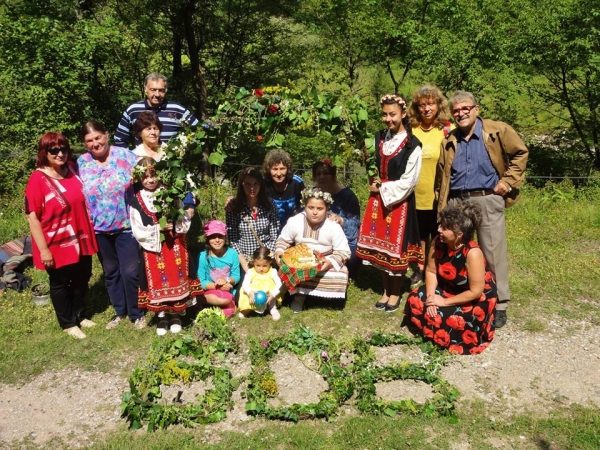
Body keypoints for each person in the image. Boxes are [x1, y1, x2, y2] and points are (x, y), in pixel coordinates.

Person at [435, 91, 529, 328]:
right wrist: (443, 204)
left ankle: (499, 304)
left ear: (476, 109)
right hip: (457, 201)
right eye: (456, 110)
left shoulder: (496, 131)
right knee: (457, 250)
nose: (461, 113)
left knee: (492, 252)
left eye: (466, 108)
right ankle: (463, 294)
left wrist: (507, 182)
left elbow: (521, 153)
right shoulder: (449, 139)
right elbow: (442, 176)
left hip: (487, 198)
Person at [24, 133, 98, 339]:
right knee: (61, 283)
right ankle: (68, 323)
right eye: (54, 150)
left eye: (63, 149)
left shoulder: (73, 169)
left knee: (82, 277)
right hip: (56, 241)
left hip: (81, 235)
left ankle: (80, 314)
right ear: (44, 153)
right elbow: (33, 218)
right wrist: (43, 249)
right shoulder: (37, 179)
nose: (60, 154)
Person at [356, 94, 424, 313]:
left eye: (392, 114)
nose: (388, 119)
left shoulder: (412, 144)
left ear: (403, 114)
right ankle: (386, 289)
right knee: (379, 249)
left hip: (398, 203)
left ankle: (395, 293)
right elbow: (371, 167)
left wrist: (382, 188)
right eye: (385, 115)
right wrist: (372, 180)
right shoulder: (377, 139)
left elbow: (409, 182)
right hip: (377, 203)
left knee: (396, 250)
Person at [78, 121, 146, 330]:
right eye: (89, 140)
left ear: (106, 135)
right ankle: (119, 312)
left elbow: (148, 173)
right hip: (98, 229)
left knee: (130, 271)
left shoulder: (125, 156)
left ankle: (136, 313)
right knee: (111, 272)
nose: (95, 143)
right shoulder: (82, 162)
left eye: (98, 137)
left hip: (126, 225)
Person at [405, 202, 498, 354]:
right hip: (449, 288)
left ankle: (440, 336)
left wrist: (443, 302)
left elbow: (475, 292)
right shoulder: (438, 242)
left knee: (448, 317)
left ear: (459, 234)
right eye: (440, 225)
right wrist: (431, 298)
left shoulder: (473, 253)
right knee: (415, 298)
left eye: (444, 228)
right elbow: (431, 271)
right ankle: (433, 331)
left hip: (473, 297)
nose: (438, 230)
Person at [128, 158, 202, 335]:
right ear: (139, 178)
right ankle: (162, 316)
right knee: (159, 281)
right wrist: (156, 228)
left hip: (174, 244)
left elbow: (184, 216)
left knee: (176, 277)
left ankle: (176, 315)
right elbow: (137, 228)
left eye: (153, 175)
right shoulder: (136, 201)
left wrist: (175, 225)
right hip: (153, 249)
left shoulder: (171, 193)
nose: (150, 180)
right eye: (145, 177)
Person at [275, 187, 351, 313]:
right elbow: (283, 240)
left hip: (323, 261)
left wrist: (330, 262)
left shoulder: (333, 226)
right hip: (299, 259)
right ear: (304, 206)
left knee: (341, 273)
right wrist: (279, 251)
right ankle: (298, 296)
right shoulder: (295, 221)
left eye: (320, 209)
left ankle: (321, 297)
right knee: (288, 267)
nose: (315, 212)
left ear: (327, 209)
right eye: (311, 208)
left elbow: (343, 251)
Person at [408, 85, 453, 288]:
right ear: (416, 108)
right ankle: (420, 269)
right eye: (422, 105)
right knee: (419, 238)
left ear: (439, 105)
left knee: (438, 236)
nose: (427, 109)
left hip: (438, 195)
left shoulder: (447, 130)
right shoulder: (410, 129)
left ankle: (436, 272)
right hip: (414, 194)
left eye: (431, 104)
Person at [131, 111, 196, 211]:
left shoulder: (171, 152)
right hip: (144, 207)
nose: (153, 132)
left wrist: (190, 205)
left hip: (173, 206)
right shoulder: (134, 156)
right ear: (140, 133)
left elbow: (184, 179)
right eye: (148, 129)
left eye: (155, 128)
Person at [114, 73, 199, 148]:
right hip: (142, 163)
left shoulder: (177, 109)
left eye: (161, 90)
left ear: (166, 90)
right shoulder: (133, 110)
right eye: (153, 90)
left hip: (170, 164)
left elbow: (199, 130)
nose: (157, 94)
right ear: (145, 89)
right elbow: (119, 139)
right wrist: (128, 160)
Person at [311, 159, 361, 280]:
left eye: (326, 173)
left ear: (333, 175)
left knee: (353, 259)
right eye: (318, 174)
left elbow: (355, 224)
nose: (322, 177)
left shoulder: (347, 195)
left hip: (345, 239)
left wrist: (341, 220)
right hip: (320, 238)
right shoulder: (313, 193)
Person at [226, 167, 280, 272]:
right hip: (245, 260)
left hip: (267, 260)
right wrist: (245, 265)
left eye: (255, 184)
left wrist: (265, 257)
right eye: (248, 184)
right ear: (242, 185)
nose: (252, 188)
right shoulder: (234, 208)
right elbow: (233, 240)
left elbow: (275, 234)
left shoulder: (269, 204)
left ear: (260, 185)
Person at [198, 220, 240, 318]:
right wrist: (216, 286)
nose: (217, 240)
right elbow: (201, 281)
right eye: (213, 237)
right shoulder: (203, 256)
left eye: (220, 236)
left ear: (225, 237)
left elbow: (236, 276)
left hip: (227, 289)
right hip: (211, 289)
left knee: (228, 311)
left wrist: (227, 280)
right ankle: (211, 303)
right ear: (207, 238)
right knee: (220, 300)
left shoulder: (232, 253)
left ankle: (221, 306)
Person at [263, 149, 305, 229]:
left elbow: (306, 205)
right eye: (275, 169)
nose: (278, 174)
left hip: (293, 228)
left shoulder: (296, 183)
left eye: (282, 169)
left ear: (288, 169)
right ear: (268, 170)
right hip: (269, 229)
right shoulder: (263, 183)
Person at [237, 247, 282, 321]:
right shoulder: (250, 272)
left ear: (270, 263)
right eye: (258, 265)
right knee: (244, 291)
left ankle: (272, 308)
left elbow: (279, 284)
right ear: (254, 262)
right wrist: (250, 291)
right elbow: (245, 284)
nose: (261, 269)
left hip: (268, 294)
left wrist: (273, 293)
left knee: (272, 286)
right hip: (255, 294)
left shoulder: (273, 271)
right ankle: (247, 309)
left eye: (264, 266)